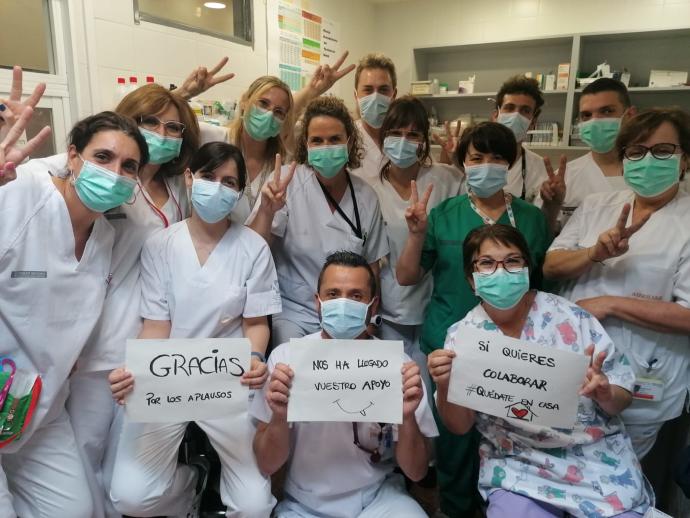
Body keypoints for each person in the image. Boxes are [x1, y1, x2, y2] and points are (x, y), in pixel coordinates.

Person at [16, 78, 200, 517]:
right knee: (82, 455)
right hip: (91, 344)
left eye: (174, 128)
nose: (162, 134)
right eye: (150, 123)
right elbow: (47, 169)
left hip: (149, 343)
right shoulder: (88, 178)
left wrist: (184, 99)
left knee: (127, 460)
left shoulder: (180, 190)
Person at [429, 224, 652, 518]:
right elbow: (460, 426)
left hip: (593, 457)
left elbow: (622, 397)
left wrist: (605, 392)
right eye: (486, 263)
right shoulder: (464, 338)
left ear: (527, 268)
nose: (501, 271)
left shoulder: (571, 318)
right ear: (471, 279)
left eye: (512, 260)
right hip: (517, 461)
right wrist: (446, 385)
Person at [108, 142, 281, 517]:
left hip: (229, 381)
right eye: (208, 177)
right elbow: (157, 324)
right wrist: (134, 369)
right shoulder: (161, 245)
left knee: (253, 507)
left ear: (239, 192)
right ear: (189, 178)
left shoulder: (253, 248)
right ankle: (192, 483)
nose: (217, 188)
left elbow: (255, 322)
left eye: (229, 181)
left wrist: (254, 357)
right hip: (170, 378)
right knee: (130, 497)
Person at [396, 121, 552, 517]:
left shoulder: (532, 219)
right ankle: (455, 508)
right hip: (451, 348)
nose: (486, 166)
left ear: (512, 163)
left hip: (516, 350)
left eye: (497, 158)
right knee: (454, 442)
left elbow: (543, 285)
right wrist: (415, 234)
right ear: (463, 163)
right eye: (476, 158)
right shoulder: (443, 214)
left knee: (514, 435)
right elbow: (407, 276)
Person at [0, 110, 148, 518]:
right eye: (103, 157)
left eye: (129, 166)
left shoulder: (106, 237)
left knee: (75, 510)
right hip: (3, 388)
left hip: (38, 409)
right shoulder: (20, 194)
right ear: (72, 157)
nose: (115, 172)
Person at [544, 107, 690, 458]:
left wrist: (611, 304)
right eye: (636, 152)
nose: (648, 160)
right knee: (559, 464)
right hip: (574, 366)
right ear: (624, 161)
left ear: (685, 160)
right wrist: (593, 253)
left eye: (663, 150)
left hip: (645, 377)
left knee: (616, 482)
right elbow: (551, 265)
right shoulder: (597, 205)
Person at [251, 251, 438, 517]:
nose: (343, 303)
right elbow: (266, 464)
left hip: (378, 500)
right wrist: (280, 417)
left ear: (372, 307)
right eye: (333, 294)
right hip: (304, 505)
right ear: (318, 303)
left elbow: (417, 471)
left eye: (356, 296)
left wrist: (407, 418)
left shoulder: (398, 365)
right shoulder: (286, 360)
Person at [249, 96, 389, 347]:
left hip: (350, 314)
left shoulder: (366, 196)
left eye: (334, 139)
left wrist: (368, 320)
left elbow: (373, 267)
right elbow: (252, 250)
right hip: (296, 312)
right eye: (317, 140)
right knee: (292, 370)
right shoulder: (285, 184)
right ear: (306, 144)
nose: (326, 147)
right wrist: (267, 211)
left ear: (349, 141)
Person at [180, 55, 355, 221]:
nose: (269, 115)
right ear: (244, 102)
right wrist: (184, 93)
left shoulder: (283, 162)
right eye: (263, 103)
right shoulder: (211, 138)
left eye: (278, 112)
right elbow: (159, 122)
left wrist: (312, 91)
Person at [369, 95, 463, 393]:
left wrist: (457, 159)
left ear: (424, 141)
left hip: (435, 308)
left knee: (427, 396)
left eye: (413, 135)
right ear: (383, 138)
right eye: (395, 133)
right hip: (387, 308)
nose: (403, 141)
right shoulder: (367, 186)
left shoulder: (447, 179)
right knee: (389, 394)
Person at [436, 75, 566, 233]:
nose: (516, 116)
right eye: (509, 108)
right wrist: (452, 156)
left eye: (525, 111)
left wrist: (552, 206)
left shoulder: (540, 169)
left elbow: (542, 229)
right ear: (496, 114)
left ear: (533, 121)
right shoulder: (466, 160)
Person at [540, 78, 636, 228]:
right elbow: (543, 237)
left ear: (630, 115)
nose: (595, 121)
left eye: (606, 111)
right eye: (586, 115)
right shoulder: (564, 178)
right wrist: (551, 206)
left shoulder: (650, 172)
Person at [349, 53, 398, 183]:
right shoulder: (345, 138)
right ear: (356, 95)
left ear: (394, 94)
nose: (375, 97)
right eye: (368, 90)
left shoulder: (407, 137)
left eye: (383, 90)